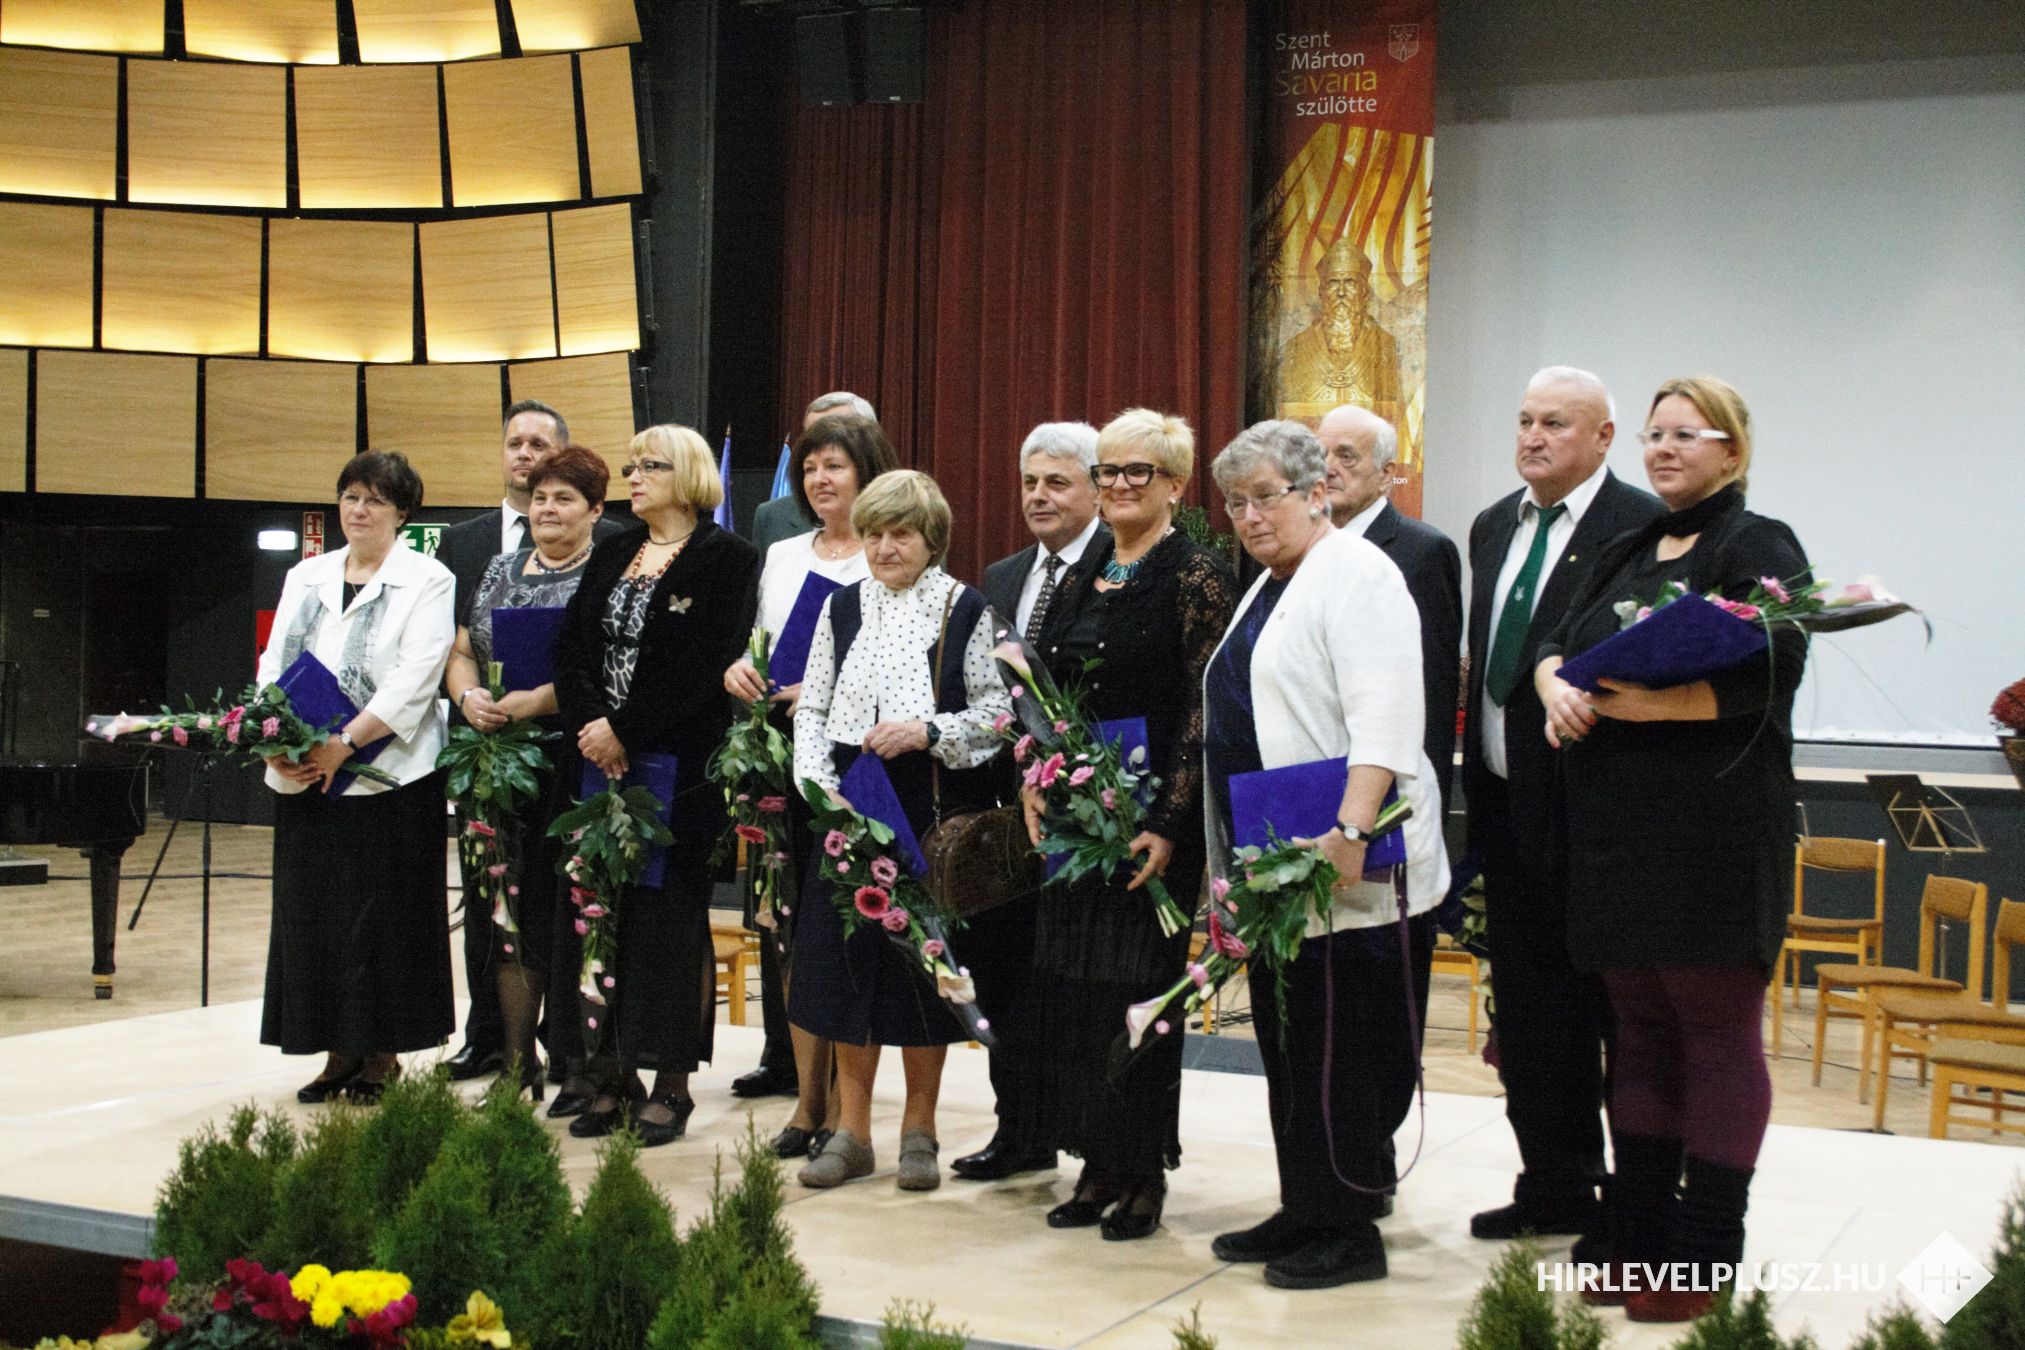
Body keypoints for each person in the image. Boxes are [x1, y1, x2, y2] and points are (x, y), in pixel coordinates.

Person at [1533, 377, 1807, 1322]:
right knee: (1641, 1033)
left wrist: (1652, 705)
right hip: (1614, 831)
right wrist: (1553, 688)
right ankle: (1638, 1239)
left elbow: (1774, 670)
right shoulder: (1624, 545)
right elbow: (1555, 642)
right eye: (1653, 435)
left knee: (1714, 1033)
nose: (1662, 449)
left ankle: (1703, 1256)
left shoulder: (1757, 542)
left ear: (1731, 449)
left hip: (1712, 833)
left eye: (1685, 435)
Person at [1201, 420, 1449, 1288]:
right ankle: (1306, 1204)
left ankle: (1348, 1228)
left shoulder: (1358, 574)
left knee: (1341, 1050)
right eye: (1235, 502)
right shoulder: (1271, 584)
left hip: (1342, 860)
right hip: (1276, 860)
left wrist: (1351, 830)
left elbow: (1386, 715)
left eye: (1264, 497)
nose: (1248, 516)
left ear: (1315, 494)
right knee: (1291, 1042)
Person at [1012, 408, 1237, 1241]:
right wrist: (1034, 779)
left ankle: (1141, 1169)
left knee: (1141, 995)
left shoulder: (1196, 574)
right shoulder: (1085, 570)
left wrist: (1172, 822)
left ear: (1174, 484)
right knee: (1074, 993)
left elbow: (1203, 707)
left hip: (1151, 826)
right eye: (1106, 471)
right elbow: (1043, 692)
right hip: (1075, 820)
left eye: (1135, 471)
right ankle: (1094, 1161)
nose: (1116, 485)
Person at [1462, 367, 1663, 1243]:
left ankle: (1635, 1199)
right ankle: (1553, 1181)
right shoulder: (1491, 525)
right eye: (1524, 420)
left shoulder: (1638, 525)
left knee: (1612, 1013)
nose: (1532, 437)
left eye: (1554, 423)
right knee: (1531, 1011)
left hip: (1596, 819)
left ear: (1604, 437)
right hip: (1504, 806)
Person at [789, 469, 1012, 1192]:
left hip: (926, 804)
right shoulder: (841, 607)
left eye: (902, 534)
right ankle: (851, 1133)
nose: (885, 548)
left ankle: (920, 1129)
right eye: (875, 533)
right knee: (849, 966)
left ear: (931, 540)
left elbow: (998, 713)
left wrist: (929, 730)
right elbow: (812, 706)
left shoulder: (964, 608)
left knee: (923, 970)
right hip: (848, 802)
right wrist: (818, 784)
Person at [552, 425, 759, 1147]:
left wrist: (625, 730)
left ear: (690, 475)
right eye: (631, 465)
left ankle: (671, 1082)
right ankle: (612, 1074)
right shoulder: (614, 550)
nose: (633, 476)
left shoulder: (727, 557)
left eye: (650, 466)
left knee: (668, 925)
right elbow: (571, 647)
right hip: (596, 759)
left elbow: (704, 666)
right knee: (600, 911)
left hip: (679, 766)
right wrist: (592, 726)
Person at [723, 412, 899, 1158]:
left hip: (854, 765)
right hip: (778, 755)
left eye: (836, 465)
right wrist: (742, 670)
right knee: (789, 926)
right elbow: (755, 642)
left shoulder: (888, 552)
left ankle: (844, 1108)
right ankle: (805, 1102)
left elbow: (901, 668)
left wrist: (822, 694)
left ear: (868, 472)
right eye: (811, 467)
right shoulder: (783, 553)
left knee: (845, 931)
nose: (821, 479)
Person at [257, 451, 456, 1104]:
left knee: (381, 922)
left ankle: (381, 1057)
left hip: (389, 779)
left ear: (402, 513)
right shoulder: (306, 574)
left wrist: (345, 743)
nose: (359, 510)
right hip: (306, 775)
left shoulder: (427, 578)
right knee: (315, 918)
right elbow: (272, 664)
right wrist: (274, 741)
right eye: (349, 497)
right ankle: (335, 1053)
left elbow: (416, 677)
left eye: (375, 500)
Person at [435, 399, 623, 1083]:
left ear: (593, 509)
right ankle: (512, 1059)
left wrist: (539, 701)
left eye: (561, 497)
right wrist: (469, 696)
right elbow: (462, 649)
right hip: (499, 762)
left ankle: (576, 1058)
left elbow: (607, 666)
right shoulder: (495, 567)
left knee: (571, 911)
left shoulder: (611, 566)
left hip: (576, 759)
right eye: (539, 497)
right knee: (505, 911)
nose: (546, 507)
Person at [956, 420, 1108, 1183]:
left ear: (1096, 488)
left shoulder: (1119, 565)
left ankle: (1095, 1142)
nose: (1038, 496)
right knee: (1007, 976)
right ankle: (1018, 1129)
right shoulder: (1002, 574)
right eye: (1028, 483)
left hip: (1096, 811)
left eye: (1056, 482)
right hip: (1012, 815)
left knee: (1081, 987)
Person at [1318, 404, 1462, 815]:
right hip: (1315, 772)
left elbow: (1432, 693)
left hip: (1389, 793)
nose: (1328, 468)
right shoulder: (1302, 548)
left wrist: (1420, 809)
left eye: (1346, 456)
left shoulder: (1423, 552)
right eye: (1319, 455)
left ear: (1386, 474)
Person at [1272, 237, 1404, 416]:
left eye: (1350, 283)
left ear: (1365, 292)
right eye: (1333, 283)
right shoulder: (1294, 349)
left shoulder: (1387, 347)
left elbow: (1396, 414)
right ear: (1321, 292)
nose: (1341, 292)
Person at [748, 391, 878, 556]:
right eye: (814, 433)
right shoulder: (774, 518)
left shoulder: (900, 516)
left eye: (834, 466)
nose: (819, 479)